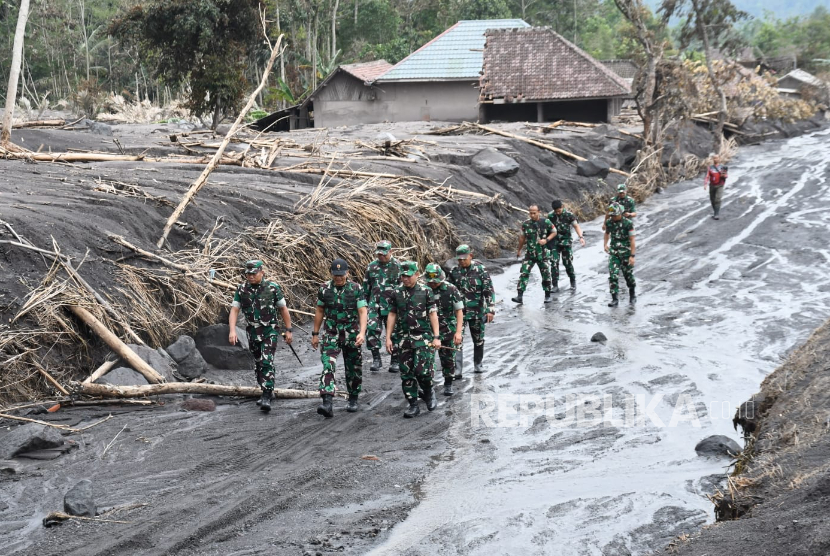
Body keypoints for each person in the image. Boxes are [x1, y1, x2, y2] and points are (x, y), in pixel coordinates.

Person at [229, 260, 293, 412]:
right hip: (252, 331)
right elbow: (234, 310)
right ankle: (265, 388)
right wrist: (232, 330)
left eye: (253, 273)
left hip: (269, 330)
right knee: (258, 362)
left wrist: (288, 329)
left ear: (262, 273)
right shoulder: (242, 289)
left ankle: (266, 393)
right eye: (248, 274)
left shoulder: (272, 288)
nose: (250, 276)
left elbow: (283, 309)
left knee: (266, 360)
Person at [311, 259, 368, 418]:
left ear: (347, 273)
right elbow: (320, 310)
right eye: (336, 275)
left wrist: (362, 333)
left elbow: (362, 311)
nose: (339, 278)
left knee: (353, 367)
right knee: (328, 364)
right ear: (331, 274)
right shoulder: (324, 289)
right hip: (331, 332)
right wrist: (315, 334)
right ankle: (327, 402)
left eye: (341, 275)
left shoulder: (356, 289)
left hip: (351, 333)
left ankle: (353, 397)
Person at [386, 261, 442, 418]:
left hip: (423, 337)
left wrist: (436, 337)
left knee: (422, 371)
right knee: (406, 373)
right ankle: (413, 404)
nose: (405, 279)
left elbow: (432, 314)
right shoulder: (396, 293)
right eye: (403, 276)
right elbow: (392, 314)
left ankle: (429, 391)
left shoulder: (426, 291)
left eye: (408, 276)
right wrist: (388, 337)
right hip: (403, 339)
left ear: (417, 274)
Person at [447, 245, 495, 378]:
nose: (462, 262)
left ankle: (478, 364)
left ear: (470, 256)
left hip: (477, 311)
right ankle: (458, 370)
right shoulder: (454, 271)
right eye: (459, 259)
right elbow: (448, 290)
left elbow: (489, 290)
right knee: (456, 340)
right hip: (459, 312)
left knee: (478, 339)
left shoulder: (480, 270)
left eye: (464, 259)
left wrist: (490, 309)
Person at [424, 263, 464, 396]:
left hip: (447, 329)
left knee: (448, 359)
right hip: (428, 331)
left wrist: (458, 332)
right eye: (431, 282)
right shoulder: (423, 290)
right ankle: (428, 385)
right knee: (426, 359)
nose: (433, 284)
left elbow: (459, 311)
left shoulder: (451, 289)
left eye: (435, 282)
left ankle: (448, 383)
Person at [363, 240, 402, 373]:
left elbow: (403, 287)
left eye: (384, 254)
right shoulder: (371, 267)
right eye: (379, 254)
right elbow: (366, 287)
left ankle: (395, 360)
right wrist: (365, 306)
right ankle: (376, 359)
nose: (381, 257)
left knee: (395, 333)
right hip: (375, 305)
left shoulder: (398, 266)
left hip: (392, 306)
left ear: (391, 252)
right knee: (372, 330)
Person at [512, 205, 556, 304]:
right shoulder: (526, 224)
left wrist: (546, 240)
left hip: (543, 253)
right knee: (524, 273)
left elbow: (554, 232)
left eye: (534, 213)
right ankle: (519, 296)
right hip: (530, 254)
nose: (532, 215)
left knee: (546, 274)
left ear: (538, 212)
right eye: (530, 213)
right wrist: (519, 250)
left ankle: (547, 295)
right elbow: (522, 238)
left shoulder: (546, 222)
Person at [546, 200, 586, 292]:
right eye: (556, 211)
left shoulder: (569, 215)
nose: (557, 212)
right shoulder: (551, 216)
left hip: (566, 242)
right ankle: (555, 285)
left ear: (562, 207)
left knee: (567, 263)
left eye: (559, 210)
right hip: (554, 243)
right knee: (554, 262)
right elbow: (547, 229)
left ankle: (573, 281)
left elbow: (576, 226)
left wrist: (581, 237)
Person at [603, 203, 637, 307]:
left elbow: (632, 240)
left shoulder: (628, 223)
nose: (613, 217)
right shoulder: (609, 222)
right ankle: (614, 299)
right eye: (611, 215)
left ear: (620, 214)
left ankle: (632, 294)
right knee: (613, 275)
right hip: (614, 252)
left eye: (615, 215)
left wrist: (632, 256)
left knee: (628, 276)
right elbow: (607, 233)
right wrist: (605, 244)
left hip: (626, 253)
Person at [704, 154, 728, 220]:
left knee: (718, 199)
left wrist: (723, 175)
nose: (716, 159)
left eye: (717, 158)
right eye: (714, 158)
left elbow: (726, 176)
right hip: (712, 185)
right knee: (712, 199)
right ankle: (715, 212)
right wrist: (705, 183)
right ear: (713, 159)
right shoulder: (710, 167)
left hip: (720, 185)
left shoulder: (723, 167)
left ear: (719, 159)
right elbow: (707, 176)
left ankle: (716, 214)